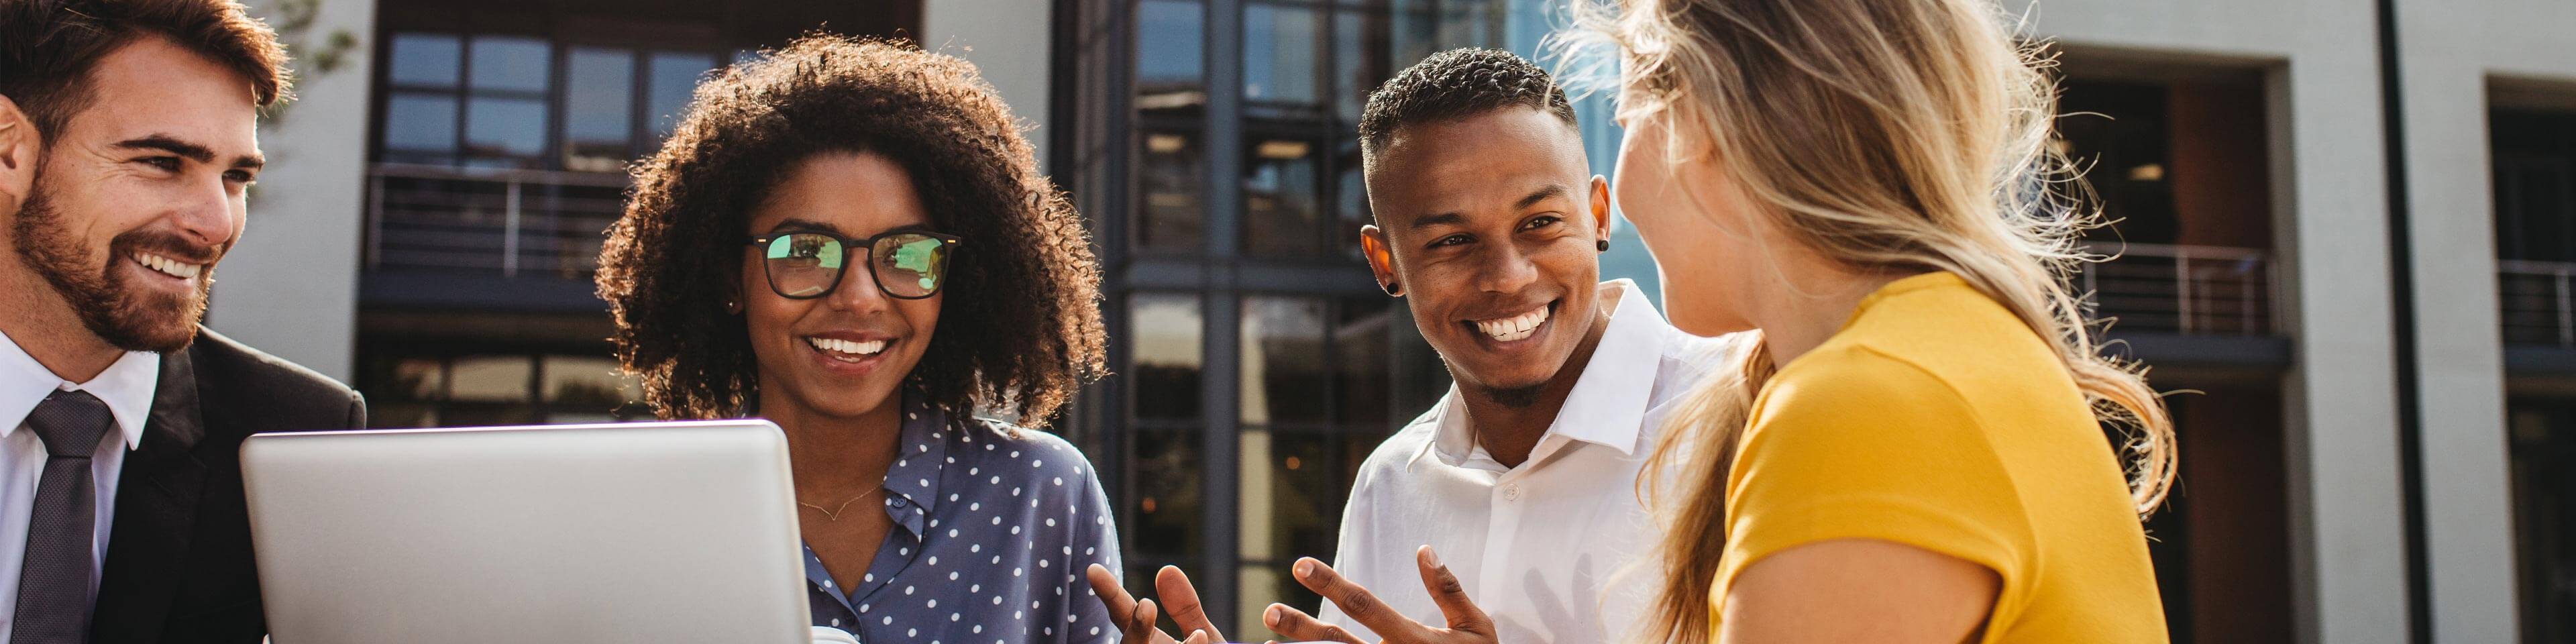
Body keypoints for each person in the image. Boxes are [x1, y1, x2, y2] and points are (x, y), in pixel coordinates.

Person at [1582, 0, 2178, 641]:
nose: (1621, 194)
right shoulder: (1952, 354)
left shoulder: (1863, 407)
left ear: (1694, 116)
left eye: (1626, 122)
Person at [1087, 48, 1723, 644]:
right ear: (1383, 261)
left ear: (1598, 215)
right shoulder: (1388, 484)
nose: (1508, 275)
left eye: (1540, 223)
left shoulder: (1735, 415)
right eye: (1452, 241)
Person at [594, 36, 1122, 643]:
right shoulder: (647, 510)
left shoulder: (1041, 493)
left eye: (904, 253)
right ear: (727, 278)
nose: (861, 297)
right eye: (806, 251)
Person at [0, 1, 367, 643]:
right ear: (10, 150)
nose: (216, 224)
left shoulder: (297, 434)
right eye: (161, 162)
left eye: (235, 177)